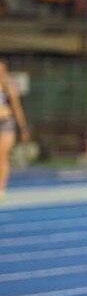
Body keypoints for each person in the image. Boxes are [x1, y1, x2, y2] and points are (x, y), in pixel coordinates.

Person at [0, 60, 30, 198]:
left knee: (3, 157)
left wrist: (23, 128)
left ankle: (1, 189)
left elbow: (17, 109)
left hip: (6, 126)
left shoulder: (9, 89)